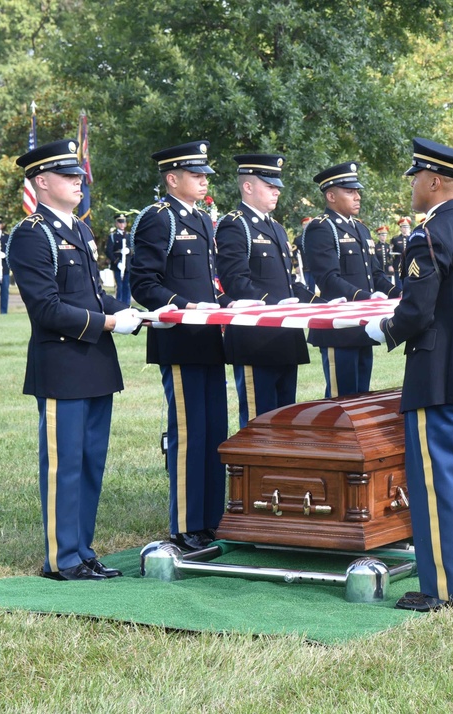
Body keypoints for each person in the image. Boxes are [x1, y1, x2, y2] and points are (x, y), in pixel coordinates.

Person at [363, 137, 453, 612]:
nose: (413, 188)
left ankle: (446, 588)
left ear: (434, 181)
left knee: (435, 482)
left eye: (416, 179)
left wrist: (385, 330)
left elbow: (418, 309)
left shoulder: (429, 234)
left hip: (441, 375)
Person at [6, 139, 142, 581]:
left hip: (95, 363)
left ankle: (83, 550)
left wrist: (132, 310)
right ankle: (61, 559)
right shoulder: (32, 235)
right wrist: (106, 323)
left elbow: (89, 294)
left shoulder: (80, 229)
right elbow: (46, 309)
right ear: (42, 182)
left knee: (90, 463)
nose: (79, 181)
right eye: (69, 176)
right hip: (63, 364)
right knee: (64, 466)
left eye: (78, 175)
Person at [130, 140, 231, 552]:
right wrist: (185, 306)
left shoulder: (204, 219)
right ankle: (187, 523)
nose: (205, 180)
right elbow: (143, 283)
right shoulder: (159, 219)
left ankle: (211, 518)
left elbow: (207, 281)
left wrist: (227, 305)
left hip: (208, 340)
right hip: (179, 339)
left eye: (205, 174)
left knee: (214, 431)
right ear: (173, 179)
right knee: (189, 433)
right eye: (197, 174)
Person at [214, 153, 319, 428]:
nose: (276, 191)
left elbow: (287, 283)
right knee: (258, 421)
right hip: (255, 338)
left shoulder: (277, 229)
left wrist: (321, 302)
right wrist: (277, 304)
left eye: (277, 187)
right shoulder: (235, 224)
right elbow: (235, 280)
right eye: (269, 186)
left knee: (286, 418)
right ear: (248, 187)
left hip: (285, 336)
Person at [301, 161, 401, 398]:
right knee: (340, 400)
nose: (357, 197)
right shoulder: (321, 228)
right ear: (331, 195)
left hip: (362, 326)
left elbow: (375, 274)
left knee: (361, 398)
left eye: (357, 191)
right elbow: (327, 278)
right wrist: (366, 298)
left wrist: (398, 293)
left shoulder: (360, 229)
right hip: (339, 326)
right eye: (350, 191)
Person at [106, 213, 133, 304]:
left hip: (128, 265)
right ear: (116, 224)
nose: (122, 224)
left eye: (123, 222)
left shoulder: (129, 236)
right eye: (120, 222)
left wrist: (129, 251)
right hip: (118, 265)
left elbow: (134, 249)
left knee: (127, 285)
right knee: (119, 286)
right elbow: (108, 251)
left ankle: (127, 304)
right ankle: (119, 304)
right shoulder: (113, 236)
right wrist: (117, 262)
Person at [294, 216, 316, 291]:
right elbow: (293, 254)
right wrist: (296, 265)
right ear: (303, 226)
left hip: (317, 267)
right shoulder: (298, 239)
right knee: (306, 288)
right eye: (306, 224)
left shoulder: (318, 237)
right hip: (305, 268)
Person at [390, 216, 412, 288]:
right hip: (398, 265)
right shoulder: (395, 239)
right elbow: (390, 253)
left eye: (407, 227)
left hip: (410, 265)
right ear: (400, 228)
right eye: (403, 227)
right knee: (399, 286)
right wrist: (391, 264)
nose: (405, 229)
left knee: (410, 285)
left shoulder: (412, 237)